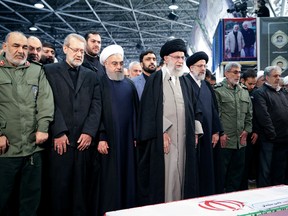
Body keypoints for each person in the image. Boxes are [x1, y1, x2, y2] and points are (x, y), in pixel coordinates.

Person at [137, 39, 202, 206]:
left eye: (182, 57)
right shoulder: (155, 80)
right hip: (166, 139)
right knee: (168, 175)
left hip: (185, 138)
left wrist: (195, 130)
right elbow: (148, 110)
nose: (181, 61)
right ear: (166, 58)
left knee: (184, 175)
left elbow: (195, 108)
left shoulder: (186, 81)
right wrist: (161, 132)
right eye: (177, 57)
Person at [44, 33, 102, 216]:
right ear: (65, 49)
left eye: (81, 51)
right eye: (75, 50)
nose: (79, 54)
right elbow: (48, 102)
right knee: (59, 191)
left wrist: (89, 132)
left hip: (84, 144)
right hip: (60, 143)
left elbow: (96, 105)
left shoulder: (91, 76)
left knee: (82, 192)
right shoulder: (49, 71)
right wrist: (59, 131)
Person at [0, 31, 54, 216]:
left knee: (31, 201)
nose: (21, 51)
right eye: (16, 46)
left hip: (33, 149)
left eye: (24, 47)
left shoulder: (36, 70)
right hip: (6, 150)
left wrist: (43, 127)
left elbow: (45, 101)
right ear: (5, 46)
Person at [95, 44, 139, 215]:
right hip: (109, 140)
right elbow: (96, 112)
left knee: (128, 174)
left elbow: (137, 111)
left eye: (120, 63)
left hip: (128, 139)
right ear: (105, 64)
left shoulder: (129, 85)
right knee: (110, 178)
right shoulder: (99, 83)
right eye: (114, 63)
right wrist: (101, 136)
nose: (119, 67)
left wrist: (136, 135)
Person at [186, 51, 222, 196]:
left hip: (209, 134)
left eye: (204, 66)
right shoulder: (185, 83)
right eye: (199, 66)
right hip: (193, 134)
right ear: (191, 68)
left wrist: (216, 131)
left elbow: (214, 109)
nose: (203, 69)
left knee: (209, 166)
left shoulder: (206, 85)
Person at [214, 62, 252, 193]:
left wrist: (247, 130)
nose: (238, 75)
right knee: (222, 172)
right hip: (226, 140)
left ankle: (233, 198)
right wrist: (221, 133)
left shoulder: (244, 91)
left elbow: (249, 114)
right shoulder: (218, 91)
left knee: (237, 174)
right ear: (226, 73)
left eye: (239, 72)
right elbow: (216, 115)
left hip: (240, 141)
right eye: (235, 72)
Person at [253, 66, 288, 187]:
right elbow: (263, 116)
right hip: (269, 139)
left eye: (279, 75)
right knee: (266, 170)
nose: (278, 78)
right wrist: (272, 134)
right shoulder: (260, 93)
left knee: (280, 170)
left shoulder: (283, 92)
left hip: (284, 138)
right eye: (275, 76)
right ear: (267, 77)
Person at [240, 69, 260, 189]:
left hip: (250, 134)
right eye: (250, 84)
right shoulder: (239, 92)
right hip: (239, 134)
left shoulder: (256, 93)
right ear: (243, 81)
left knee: (248, 162)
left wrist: (255, 131)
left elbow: (256, 115)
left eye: (254, 84)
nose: (252, 86)